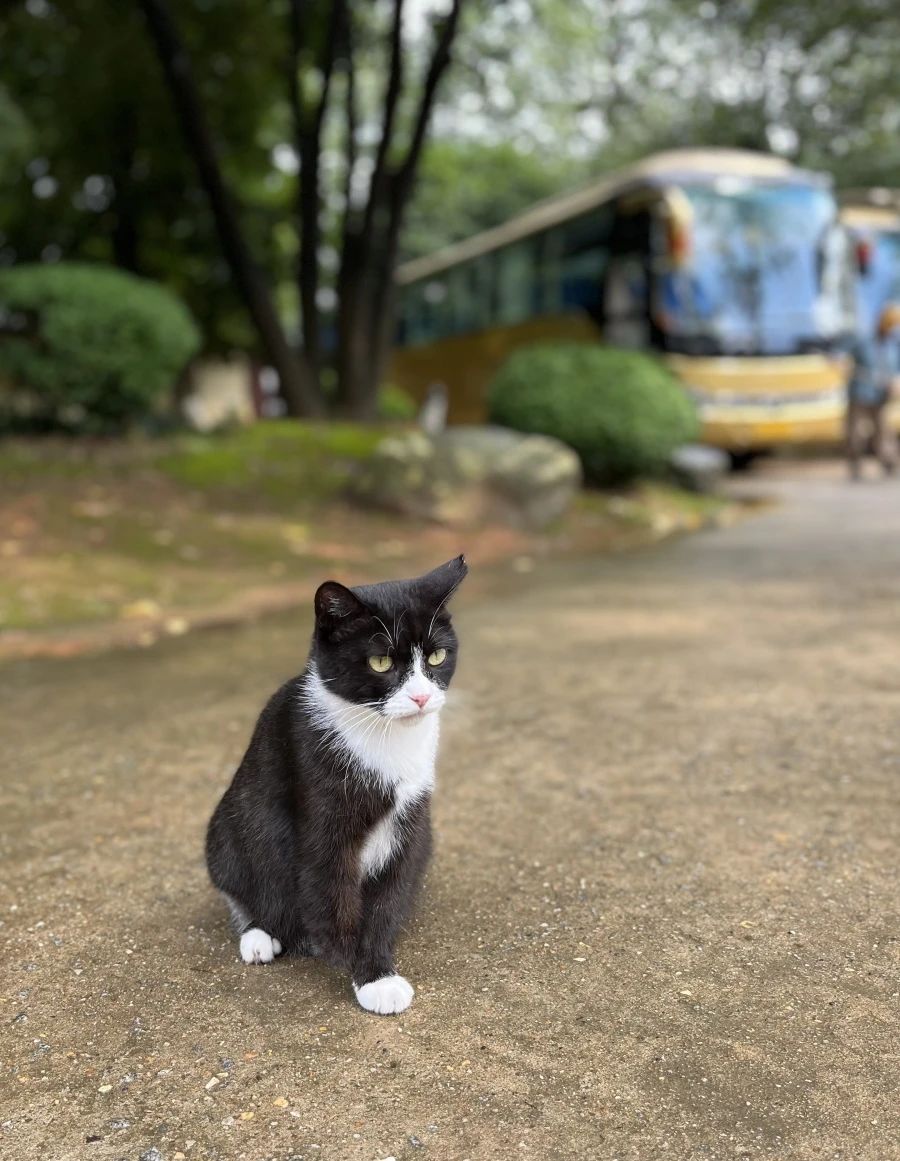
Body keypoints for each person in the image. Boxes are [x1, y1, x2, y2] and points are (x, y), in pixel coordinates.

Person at [845, 303, 900, 479]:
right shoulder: (863, 341)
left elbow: (895, 369)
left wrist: (895, 381)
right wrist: (841, 362)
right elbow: (844, 358)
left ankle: (889, 463)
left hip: (881, 396)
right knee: (857, 433)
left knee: (884, 432)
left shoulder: (893, 344)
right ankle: (855, 465)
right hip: (860, 395)